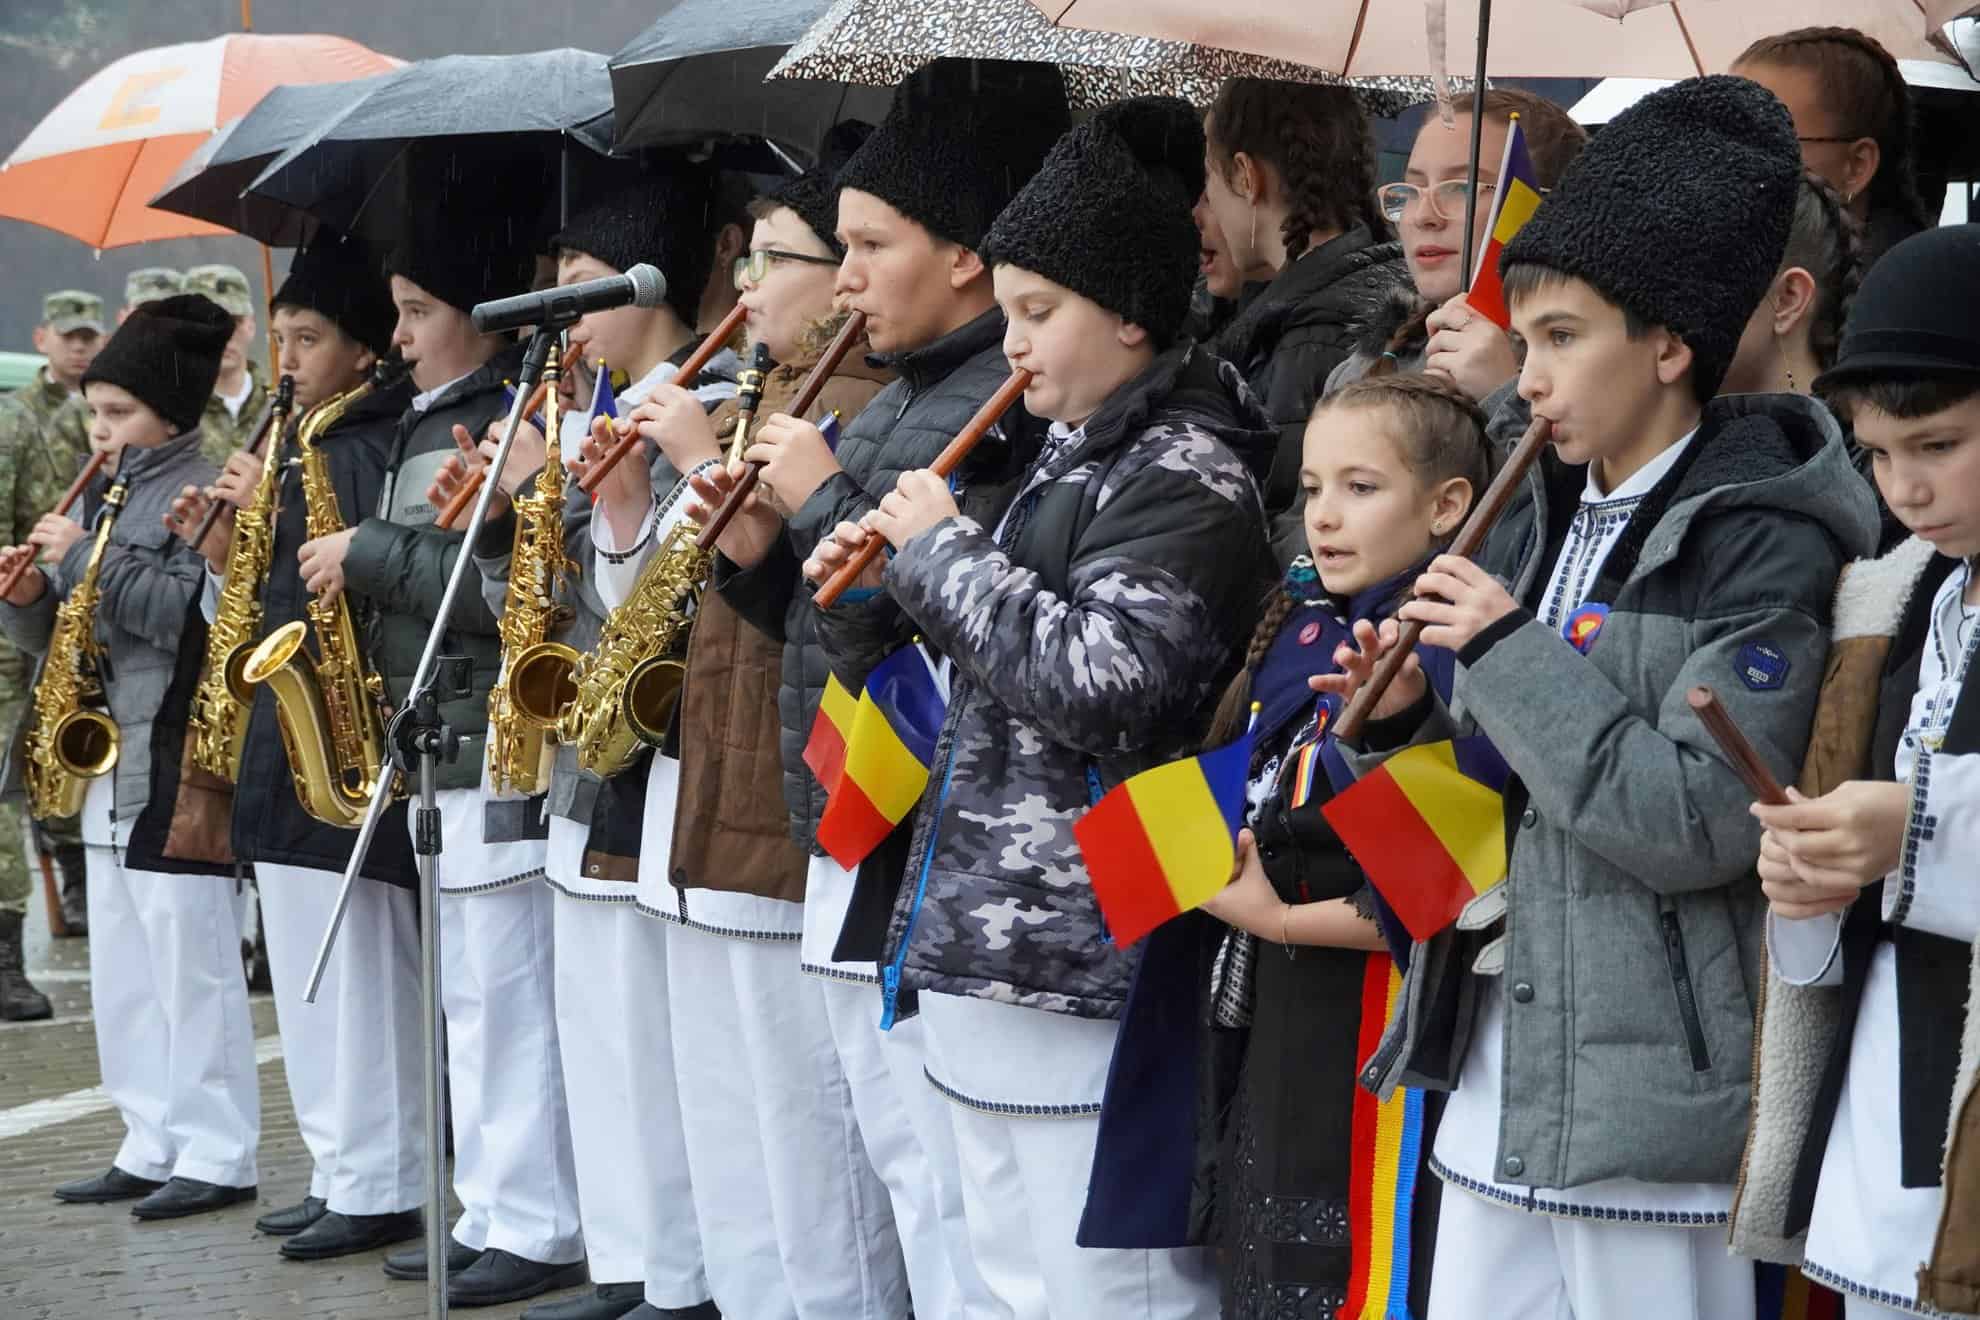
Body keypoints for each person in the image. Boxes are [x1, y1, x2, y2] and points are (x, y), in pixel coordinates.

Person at [1335, 76, 1879, 1320]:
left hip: (1658, 1120)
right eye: (1522, 341)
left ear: (1670, 344)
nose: (1527, 378)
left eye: (1564, 337)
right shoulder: (1538, 508)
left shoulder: (1764, 536)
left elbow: (1696, 820)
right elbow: (1509, 798)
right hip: (1500, 1080)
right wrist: (1421, 700)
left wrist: (1506, 649)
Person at [800, 94, 1272, 1319]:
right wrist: (849, 574)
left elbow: (1104, 685)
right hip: (987, 944)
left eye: (1038, 314)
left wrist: (942, 555)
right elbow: (945, 673)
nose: (1011, 346)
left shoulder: (1188, 467)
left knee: (1111, 1291)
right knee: (1010, 1280)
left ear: (1128, 313)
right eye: (1007, 312)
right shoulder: (1067, 452)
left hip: (1090, 958)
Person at [700, 60, 1075, 1317]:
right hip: (862, 812)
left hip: (925, 827)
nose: (844, 276)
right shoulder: (905, 393)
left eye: (870, 243)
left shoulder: (996, 399)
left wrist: (819, 499)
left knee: (951, 1178)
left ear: (967, 256)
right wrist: (759, 552)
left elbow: (934, 623)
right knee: (903, 1158)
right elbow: (833, 615)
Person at [440, 169, 737, 1320]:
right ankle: (628, 1260)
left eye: (580, 288)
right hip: (577, 760)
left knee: (647, 1047)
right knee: (599, 1040)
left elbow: (647, 600)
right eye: (552, 288)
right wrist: (513, 504)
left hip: (645, 765)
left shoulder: (688, 402)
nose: (561, 314)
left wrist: (568, 503)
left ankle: (669, 1268)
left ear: (647, 289)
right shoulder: (580, 410)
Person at [1153, 373, 1486, 1316]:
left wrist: (1279, 916)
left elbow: (1453, 895)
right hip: (1272, 1024)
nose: (1324, 517)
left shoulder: (1451, 657)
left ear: (1448, 505)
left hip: (1373, 1045)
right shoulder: (1312, 635)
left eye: (1361, 487)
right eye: (1311, 489)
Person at [1734, 224, 1980, 1320]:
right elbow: (1853, 811)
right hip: (1885, 1081)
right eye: (1879, 454)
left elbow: (1909, 818)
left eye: (1938, 444)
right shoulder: (1892, 594)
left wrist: (1915, 824)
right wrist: (1812, 877)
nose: (1906, 487)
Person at [164, 230, 422, 1247]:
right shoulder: (297, 441)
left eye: (308, 337)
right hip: (285, 732)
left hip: (340, 734)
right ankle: (339, 1163)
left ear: (365, 352)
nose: (289, 359)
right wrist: (230, 548)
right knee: (311, 979)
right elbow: (259, 597)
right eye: (280, 337)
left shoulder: (360, 445)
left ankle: (379, 1177)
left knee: (356, 975)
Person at [0, 293, 260, 1218]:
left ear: (170, 412)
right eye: (94, 411)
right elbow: (60, 634)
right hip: (107, 756)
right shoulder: (107, 485)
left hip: (173, 747)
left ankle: (218, 1150)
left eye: (118, 413)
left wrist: (77, 561)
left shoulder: (194, 488)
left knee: (187, 959)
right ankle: (148, 1137)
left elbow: (180, 614)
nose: (98, 428)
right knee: (122, 964)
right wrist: (28, 595)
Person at [1201, 79, 1409, 515]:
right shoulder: (1365, 282)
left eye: (1209, 181)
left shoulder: (1310, 340)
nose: (1203, 210)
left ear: (1245, 175)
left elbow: (1281, 515)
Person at [1330, 90, 1587, 399]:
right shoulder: (1360, 371)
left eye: (1461, 188)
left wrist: (1503, 397)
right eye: (1414, 188)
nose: (1425, 216)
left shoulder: (1596, 367)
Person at [0, 289, 105, 1007]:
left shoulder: (105, 418)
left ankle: (80, 881)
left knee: (69, 770)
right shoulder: (17, 423)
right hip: (22, 628)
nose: (80, 347)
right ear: (43, 338)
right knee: (13, 790)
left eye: (89, 336)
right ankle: (8, 949)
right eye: (69, 336)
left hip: (80, 628)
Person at [1732, 27, 1935, 269]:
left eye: (1769, 139)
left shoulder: (1903, 295)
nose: (1733, 159)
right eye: (1726, 135)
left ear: (1857, 167)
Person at [44, 269, 184, 469]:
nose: (157, 323)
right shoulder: (85, 406)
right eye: (145, 311)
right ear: (123, 316)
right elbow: (69, 494)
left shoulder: (202, 400)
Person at [184, 264, 271, 469]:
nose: (222, 336)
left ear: (250, 326)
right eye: (208, 324)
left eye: (232, 323)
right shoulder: (173, 414)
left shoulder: (280, 407)